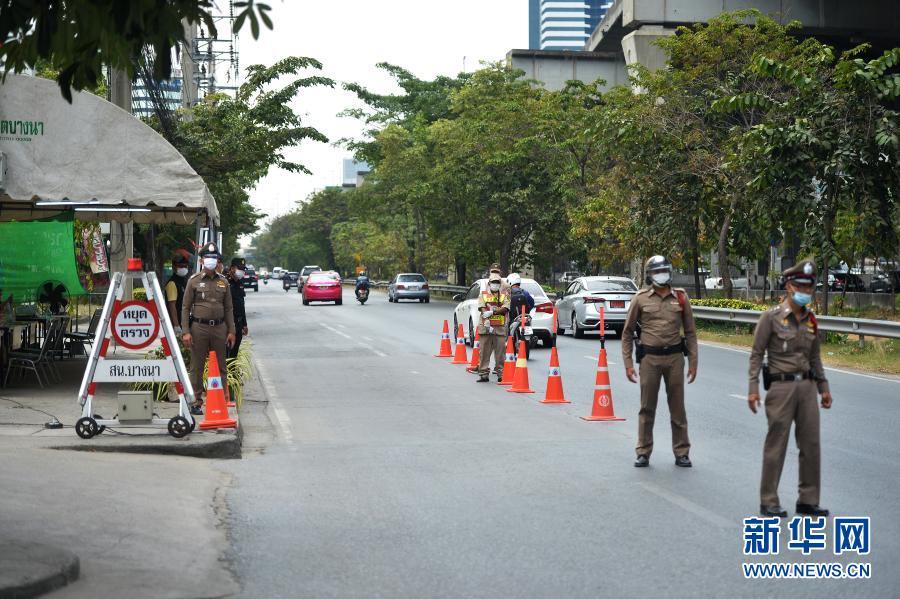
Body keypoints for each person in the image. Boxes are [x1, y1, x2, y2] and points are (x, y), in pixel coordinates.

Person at [748, 259, 832, 518]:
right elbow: (756, 353)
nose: (806, 292)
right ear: (788, 287)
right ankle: (768, 500)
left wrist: (823, 388)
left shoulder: (811, 321)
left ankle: (808, 500)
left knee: (811, 444)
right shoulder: (771, 318)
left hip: (806, 387)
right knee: (777, 443)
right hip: (781, 387)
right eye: (801, 286)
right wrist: (753, 388)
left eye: (810, 287)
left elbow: (815, 357)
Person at [621, 255, 698, 468]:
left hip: (674, 359)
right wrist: (628, 364)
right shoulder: (641, 298)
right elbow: (627, 333)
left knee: (678, 408)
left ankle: (682, 452)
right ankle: (643, 451)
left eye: (663, 270)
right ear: (649, 275)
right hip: (649, 359)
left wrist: (693, 362)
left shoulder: (680, 298)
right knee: (647, 408)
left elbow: (690, 333)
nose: (661, 274)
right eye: (656, 271)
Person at [181, 242, 235, 414]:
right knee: (196, 366)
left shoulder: (223, 282)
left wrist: (232, 331)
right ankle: (196, 402)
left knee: (221, 367)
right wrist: (186, 332)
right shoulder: (194, 281)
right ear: (201, 260)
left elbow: (228, 308)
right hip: (199, 328)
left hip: (220, 328)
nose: (211, 260)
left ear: (217, 260)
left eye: (214, 257)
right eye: (207, 257)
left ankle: (221, 400)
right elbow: (185, 307)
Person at [476, 273, 510, 382]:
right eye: (493, 282)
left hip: (499, 328)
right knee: (484, 352)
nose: (495, 284)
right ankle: (483, 374)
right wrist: (485, 315)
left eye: (497, 283)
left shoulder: (505, 295)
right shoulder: (483, 294)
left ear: (500, 284)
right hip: (486, 328)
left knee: (500, 353)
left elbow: (506, 308)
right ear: (489, 283)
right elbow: (481, 307)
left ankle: (501, 374)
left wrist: (493, 311)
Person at [227, 257, 249, 359]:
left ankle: (234, 374)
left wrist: (244, 324)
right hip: (229, 324)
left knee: (234, 353)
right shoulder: (225, 283)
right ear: (232, 268)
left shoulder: (240, 283)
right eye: (239, 268)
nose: (242, 271)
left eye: (243, 269)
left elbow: (241, 304)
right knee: (228, 353)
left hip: (239, 323)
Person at [165, 250, 191, 333]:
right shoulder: (172, 283)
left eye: (185, 266)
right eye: (180, 266)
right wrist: (176, 325)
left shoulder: (184, 281)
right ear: (174, 267)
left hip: (184, 322)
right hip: (177, 324)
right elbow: (172, 306)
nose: (183, 268)